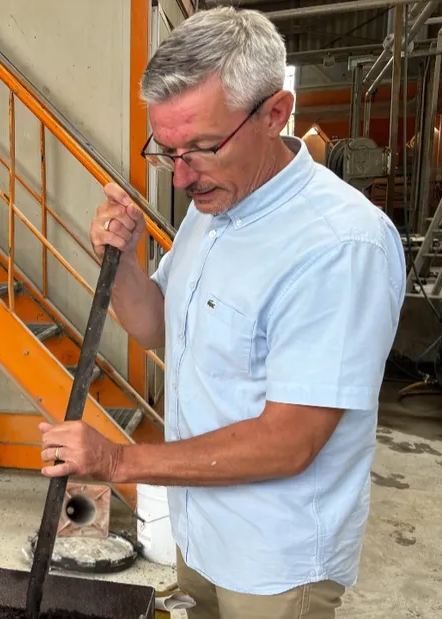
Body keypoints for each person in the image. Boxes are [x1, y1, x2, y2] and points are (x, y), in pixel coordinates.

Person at [38, 7, 405, 619]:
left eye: (203, 148)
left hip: (274, 559)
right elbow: (156, 326)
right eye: (168, 151)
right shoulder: (213, 206)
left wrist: (118, 461)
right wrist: (121, 263)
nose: (182, 176)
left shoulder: (339, 244)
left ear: (275, 113)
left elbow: (290, 441)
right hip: (200, 527)